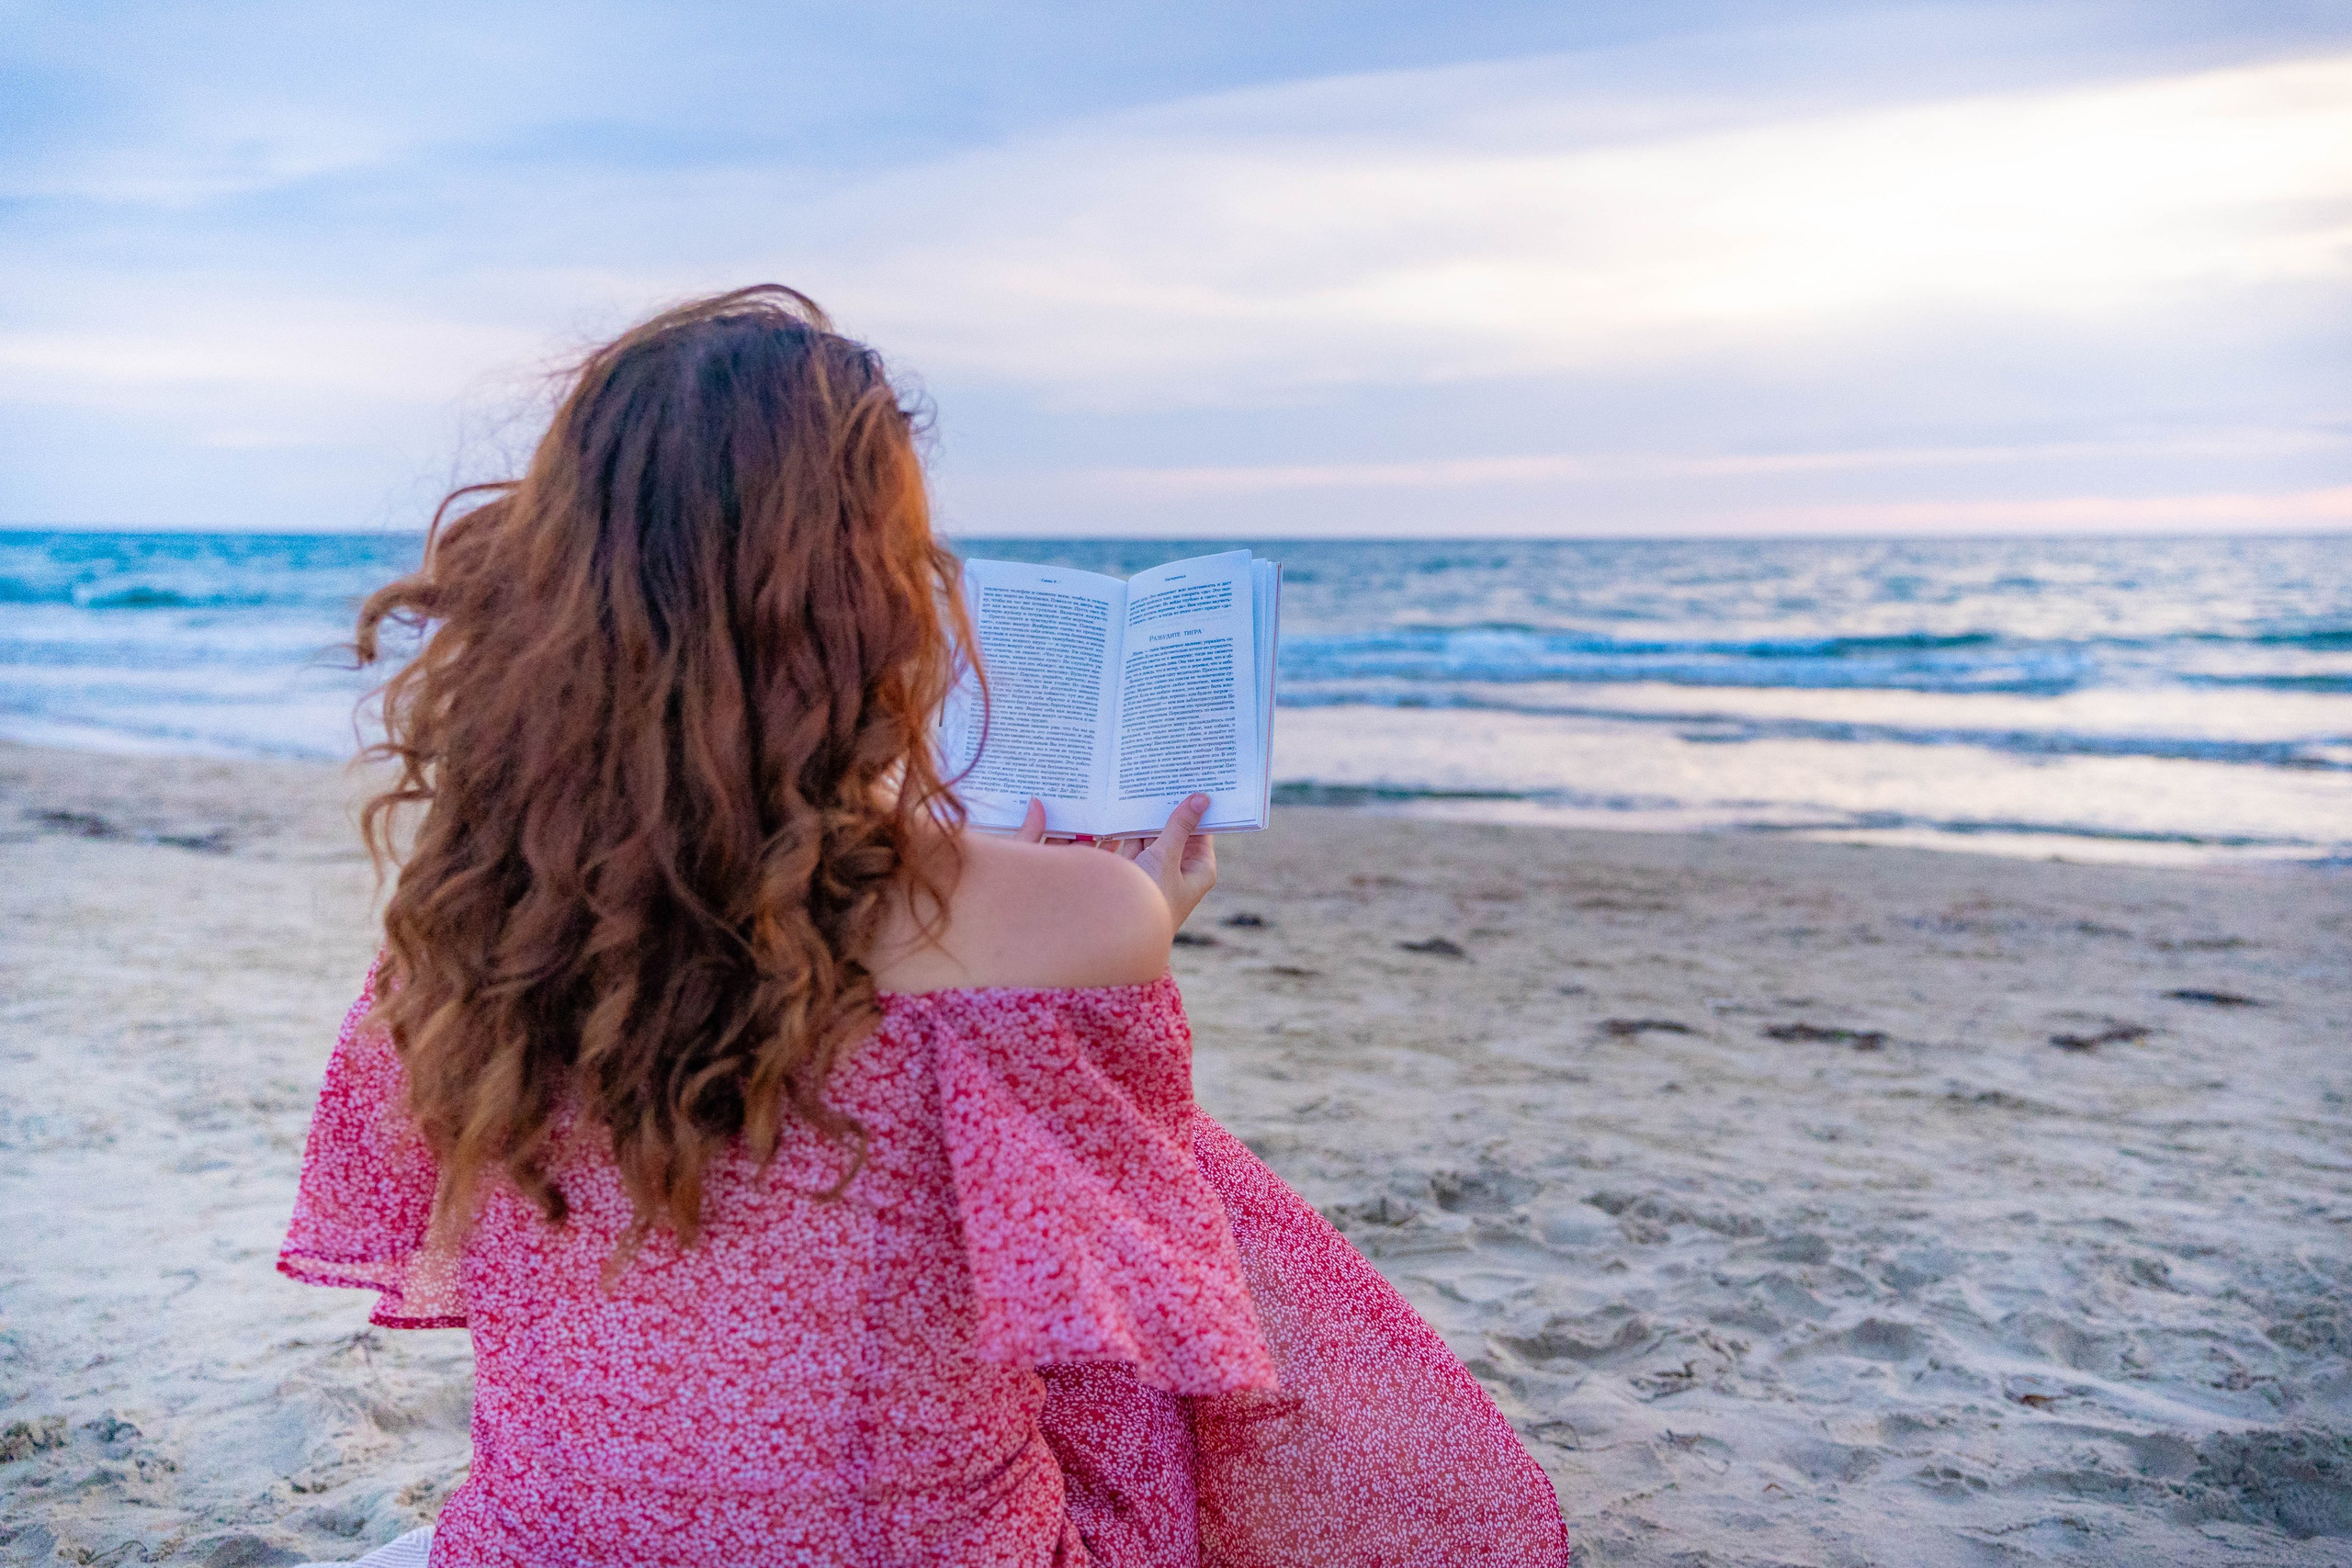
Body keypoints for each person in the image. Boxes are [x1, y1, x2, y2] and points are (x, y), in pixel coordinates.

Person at [279, 286, 1569, 1566]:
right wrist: (1132, 921)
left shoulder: (464, 940)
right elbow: (1127, 1300)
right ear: (877, 599)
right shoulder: (1079, 921)